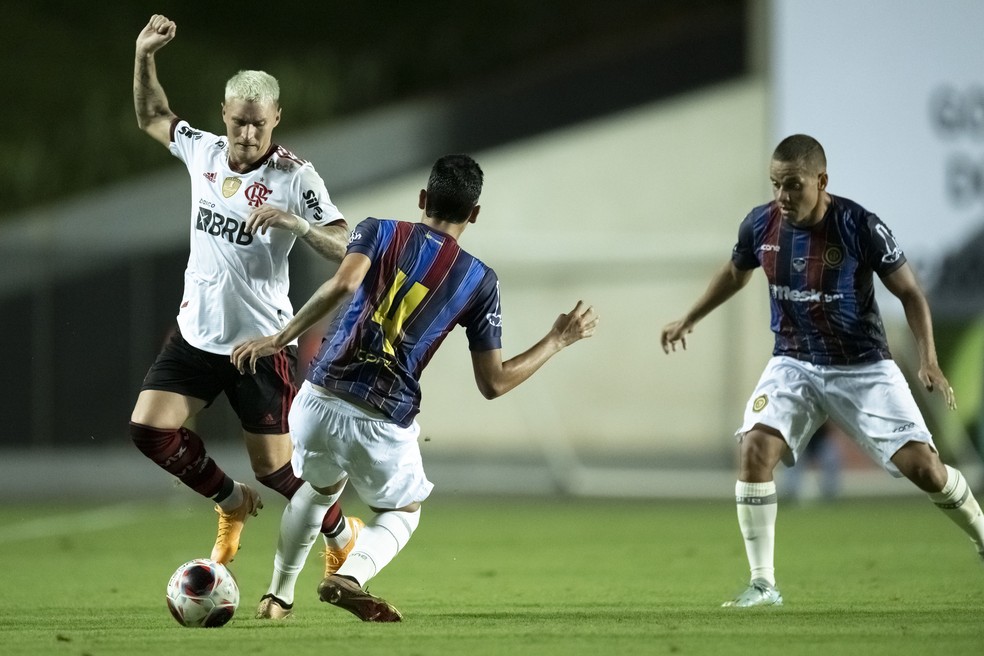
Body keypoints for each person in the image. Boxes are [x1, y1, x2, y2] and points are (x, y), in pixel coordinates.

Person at [231, 154, 599, 621]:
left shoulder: (378, 230)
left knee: (318, 490)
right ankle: (350, 575)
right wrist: (557, 339)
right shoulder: (479, 280)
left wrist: (279, 338)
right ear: (475, 214)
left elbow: (344, 285)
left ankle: (276, 599)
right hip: (381, 417)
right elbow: (494, 383)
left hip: (317, 400)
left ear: (423, 198)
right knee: (404, 511)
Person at [661, 134, 984, 607]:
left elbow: (912, 293)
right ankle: (763, 584)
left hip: (863, 368)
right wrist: (690, 316)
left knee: (926, 470)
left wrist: (928, 358)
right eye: (775, 185)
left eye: (792, 185)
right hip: (794, 362)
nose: (782, 197)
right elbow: (735, 273)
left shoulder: (859, 226)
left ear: (821, 180)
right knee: (754, 450)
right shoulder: (761, 225)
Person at [129, 14, 362, 574]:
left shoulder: (296, 177)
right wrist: (144, 56)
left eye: (260, 125)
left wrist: (300, 225)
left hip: (261, 345)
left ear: (276, 118)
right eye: (239, 123)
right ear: (225, 116)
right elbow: (153, 116)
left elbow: (347, 243)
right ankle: (230, 503)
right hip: (196, 336)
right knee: (150, 430)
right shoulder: (202, 152)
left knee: (278, 473)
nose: (249, 135)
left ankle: (342, 531)